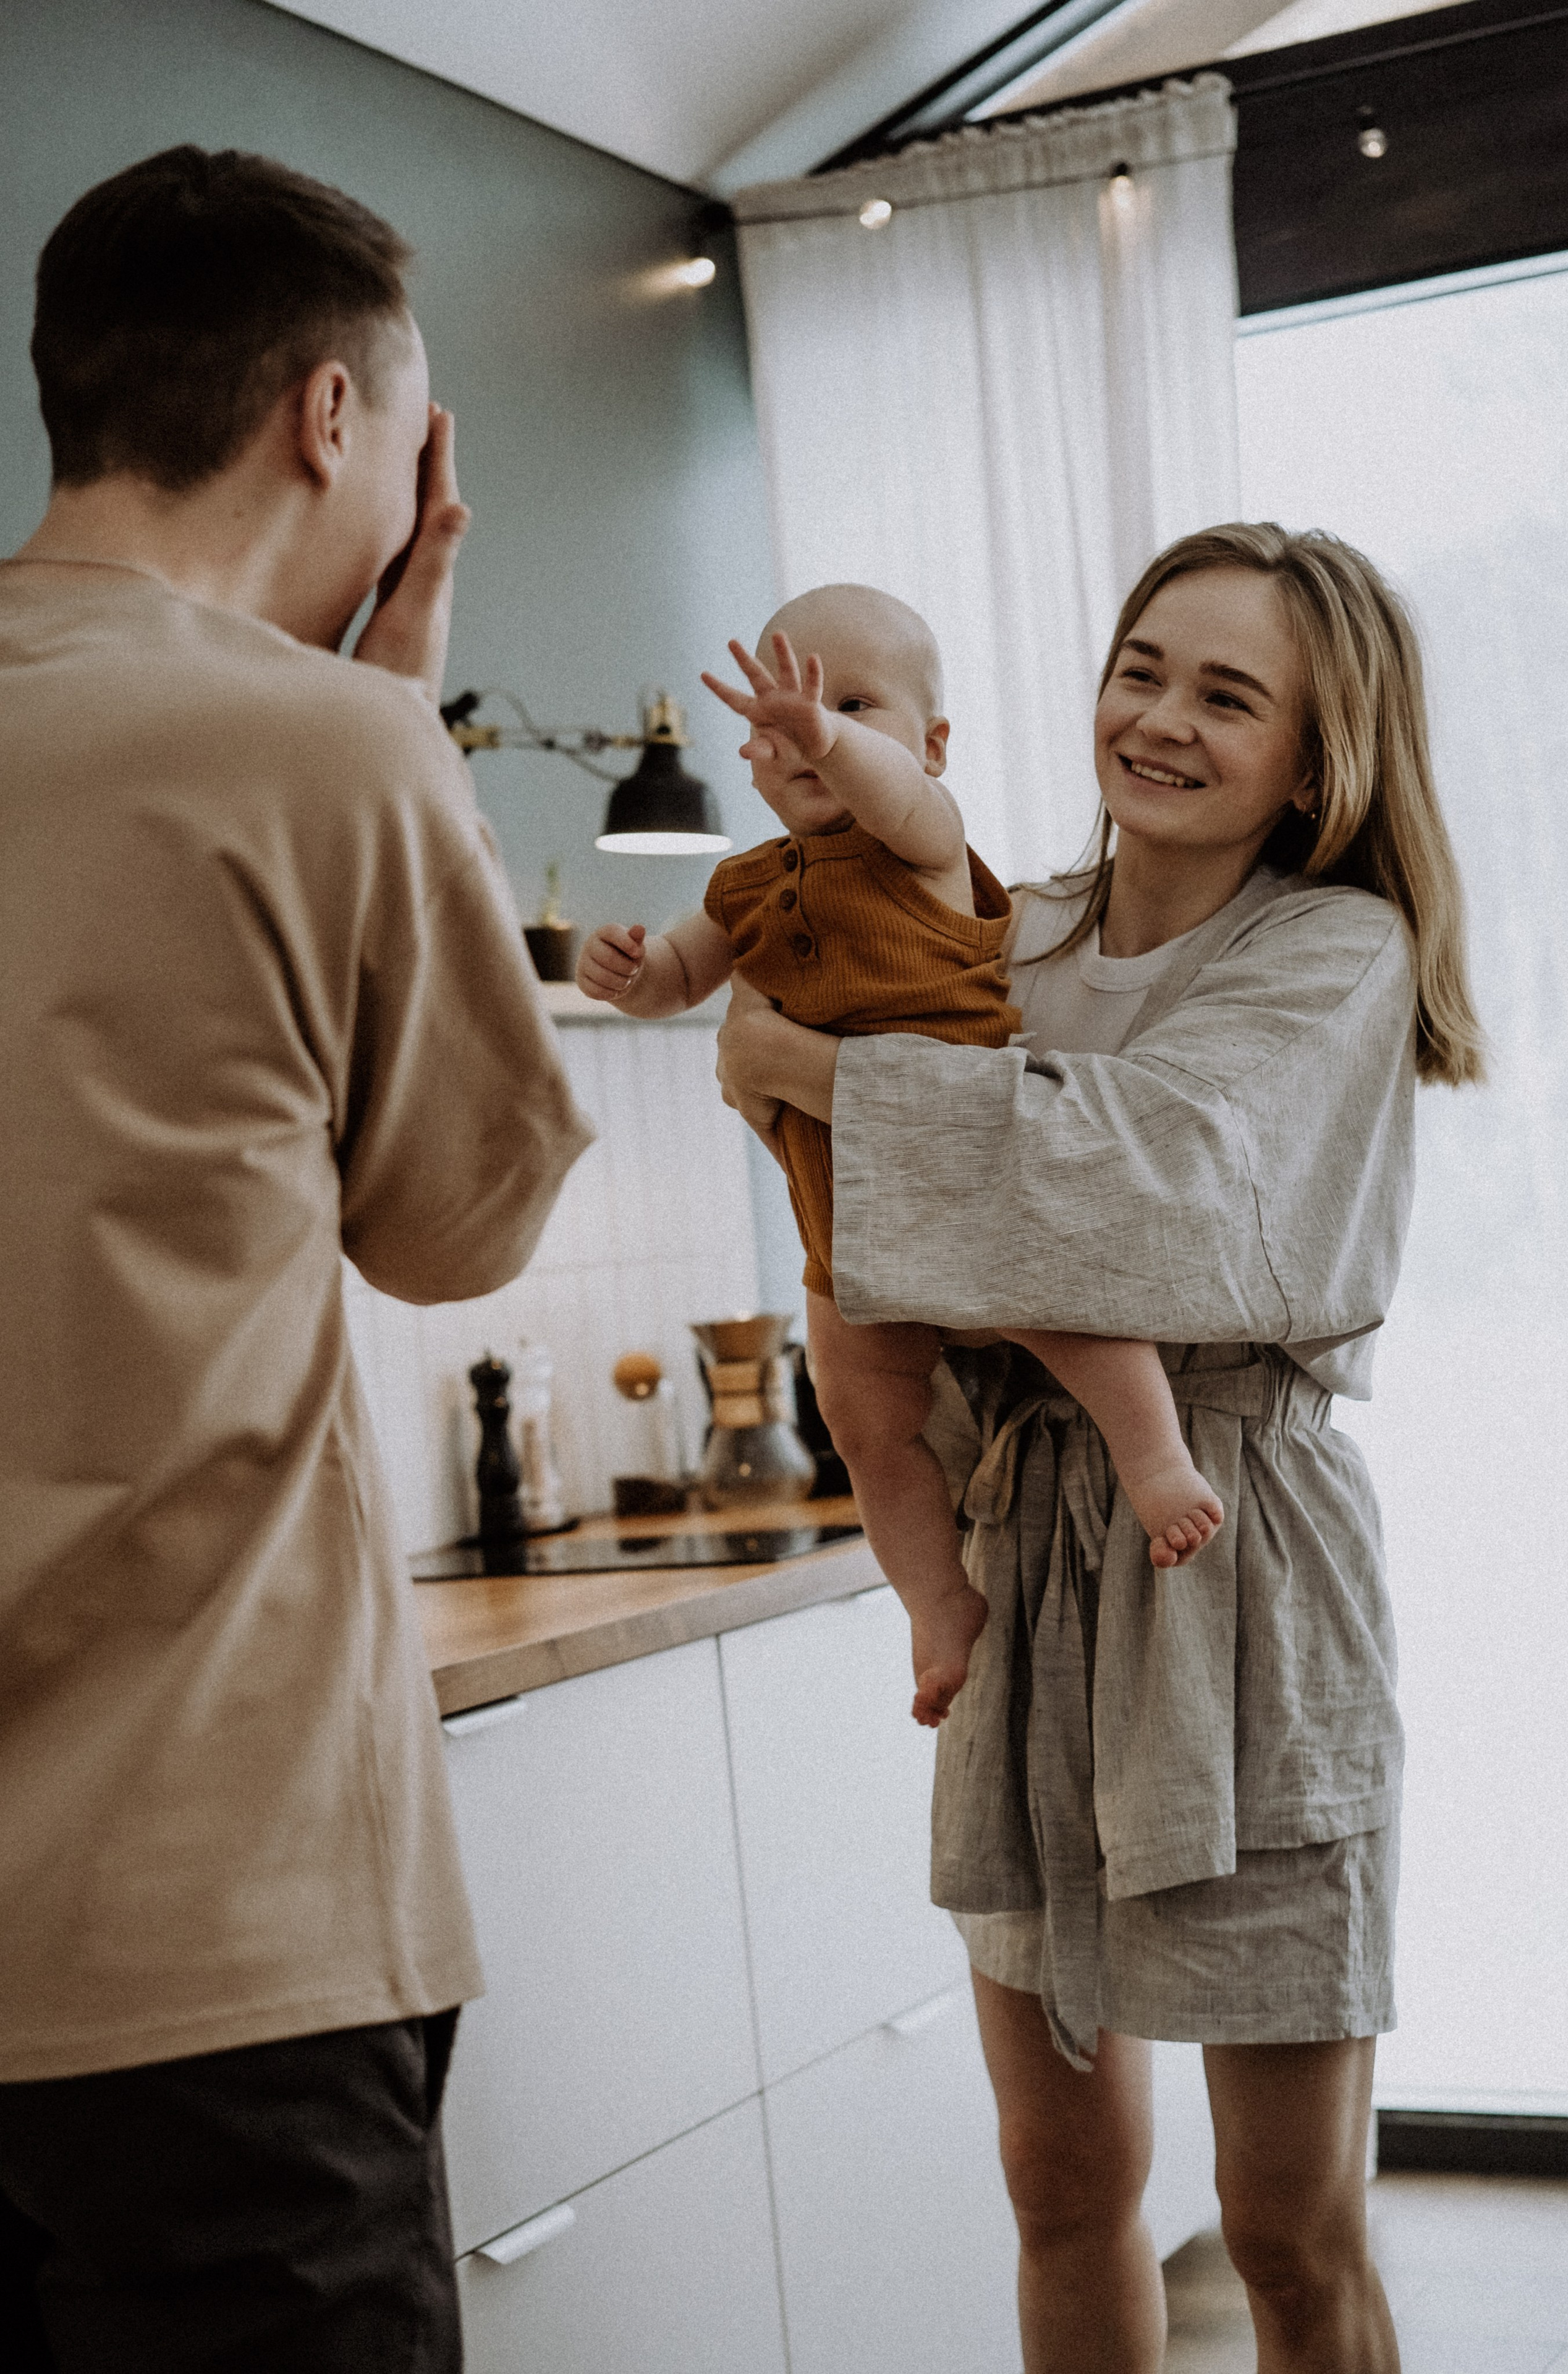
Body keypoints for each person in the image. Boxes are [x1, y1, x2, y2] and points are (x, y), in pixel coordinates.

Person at [714, 527, 1483, 2373]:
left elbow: (1137, 1177)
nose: (1159, 717)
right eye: (1143, 667)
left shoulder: (1334, 949)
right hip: (1025, 1540)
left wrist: (808, 1066)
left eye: (1228, 694)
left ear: (1318, 755)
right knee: (1058, 2189)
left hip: (1231, 1552)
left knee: (1294, 2233)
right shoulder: (1007, 920)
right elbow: (906, 1177)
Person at [0, 148, 592, 2371]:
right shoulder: (329, 742)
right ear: (334, 420)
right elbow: (462, 1223)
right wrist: (396, 723)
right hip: (212, 1944)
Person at [577, 584, 1222, 1726]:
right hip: (844, 1222)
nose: (810, 732)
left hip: (970, 1167)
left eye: (849, 703)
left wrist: (827, 736)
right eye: (781, 724)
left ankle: (1156, 1456)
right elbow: (686, 980)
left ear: (928, 745)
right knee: (862, 1418)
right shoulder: (741, 884)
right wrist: (634, 977)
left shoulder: (923, 841)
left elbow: (898, 799)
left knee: (1066, 1303)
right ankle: (936, 1602)